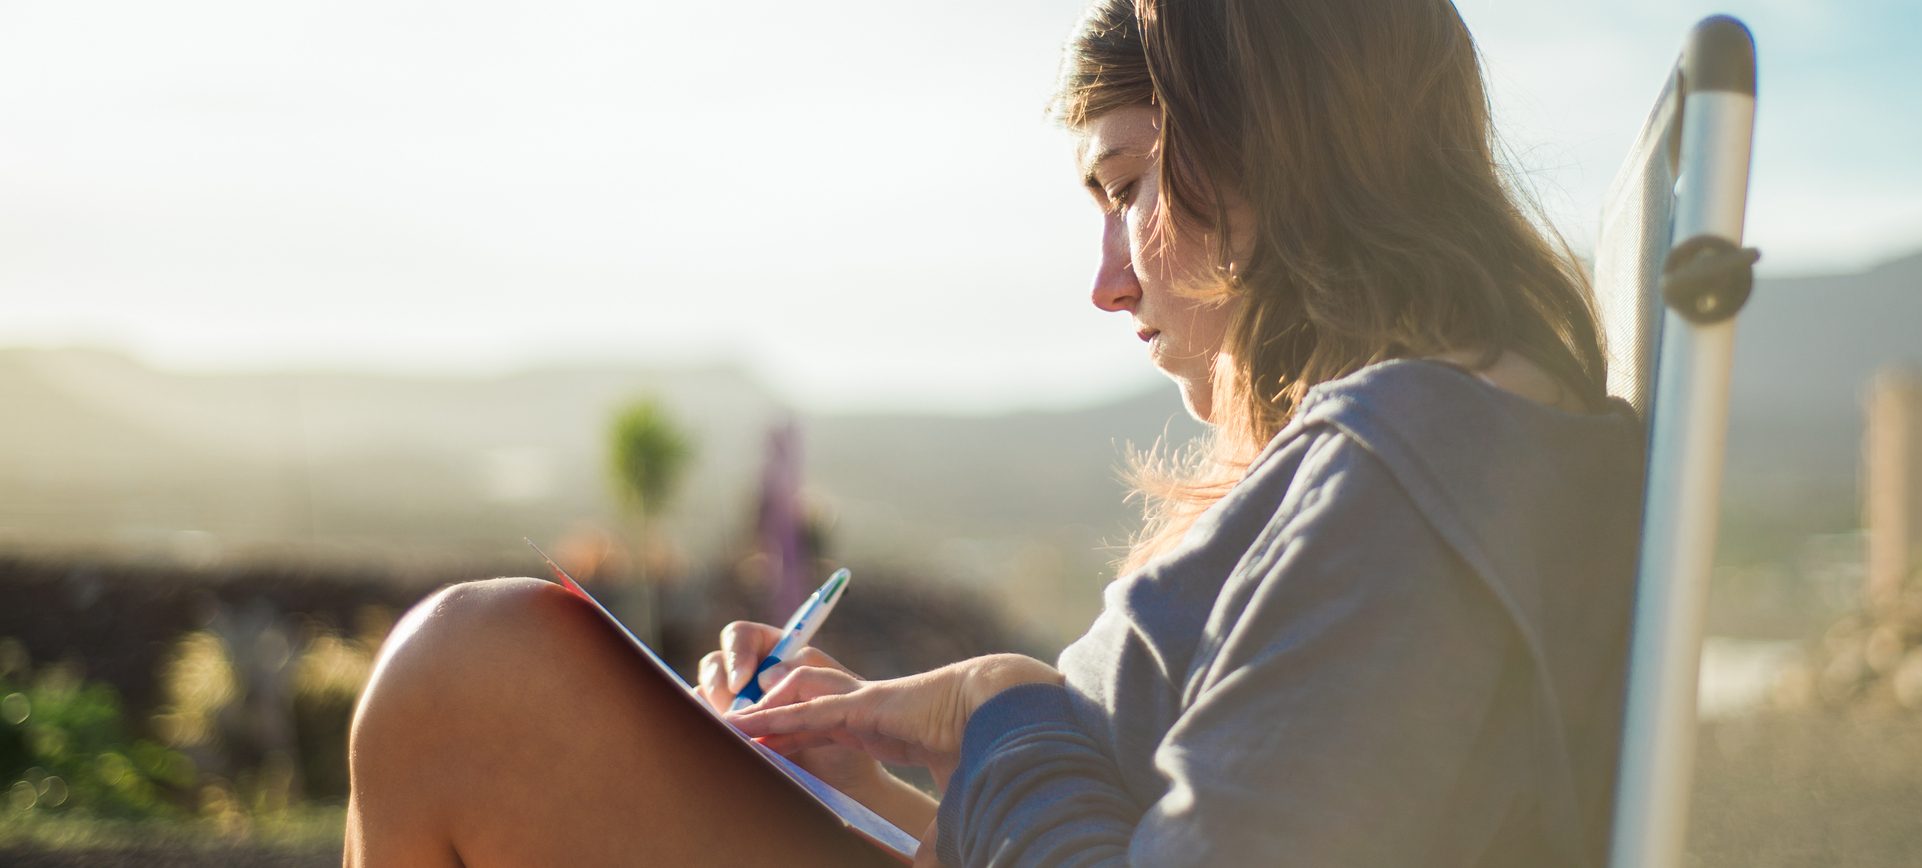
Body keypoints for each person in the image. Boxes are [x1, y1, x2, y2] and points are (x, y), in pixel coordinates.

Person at [342, 0, 1645, 865]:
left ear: (1284, 153)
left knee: (471, 678)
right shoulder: (1437, 459)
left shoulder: (1405, 472)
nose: (1108, 278)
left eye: (1131, 187)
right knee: (485, 684)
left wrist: (1000, 706)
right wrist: (862, 759)